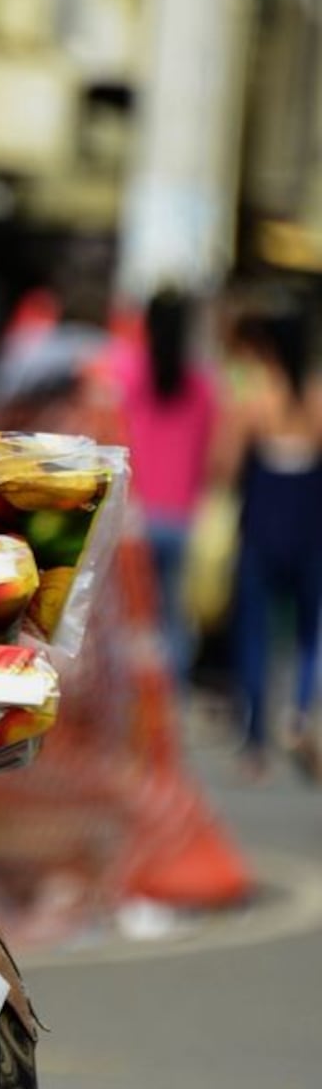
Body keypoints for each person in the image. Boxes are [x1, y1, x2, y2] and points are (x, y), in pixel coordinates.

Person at [215, 297, 322, 779]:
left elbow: (225, 468)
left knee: (254, 637)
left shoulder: (255, 401)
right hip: (310, 528)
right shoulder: (317, 399)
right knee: (307, 635)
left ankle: (256, 743)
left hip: (261, 526)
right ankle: (301, 717)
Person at [107, 288, 219, 680]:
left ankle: (130, 715)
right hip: (180, 519)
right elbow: (211, 456)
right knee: (171, 619)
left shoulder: (122, 370)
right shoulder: (203, 384)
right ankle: (168, 712)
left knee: (126, 621)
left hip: (132, 516)